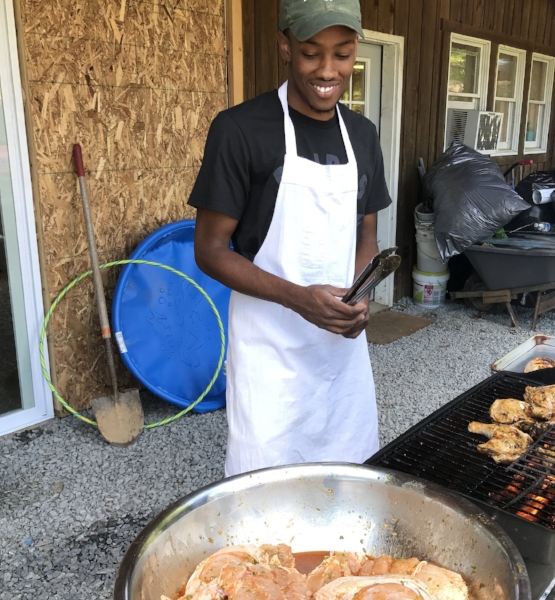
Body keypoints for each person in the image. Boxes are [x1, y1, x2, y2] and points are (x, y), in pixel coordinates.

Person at [188, 0, 392, 477]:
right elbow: (210, 250)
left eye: (342, 54)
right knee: (266, 487)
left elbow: (367, 233)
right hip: (270, 349)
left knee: (347, 480)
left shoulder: (362, 134)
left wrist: (361, 296)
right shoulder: (239, 130)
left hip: (341, 348)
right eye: (310, 53)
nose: (327, 70)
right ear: (285, 46)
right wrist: (299, 299)